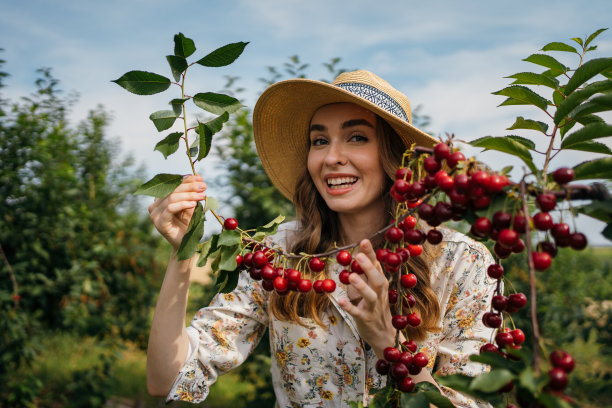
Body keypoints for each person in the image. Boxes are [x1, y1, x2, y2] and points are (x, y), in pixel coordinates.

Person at [146, 70, 497, 407]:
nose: (331, 158)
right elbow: (168, 378)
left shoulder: (461, 262)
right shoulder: (279, 256)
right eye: (319, 141)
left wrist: (387, 341)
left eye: (357, 137)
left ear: (394, 157)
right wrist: (183, 251)